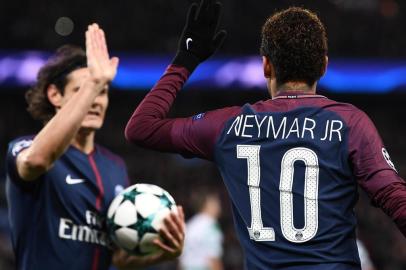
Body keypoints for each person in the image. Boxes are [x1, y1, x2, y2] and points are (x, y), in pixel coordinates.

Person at [125, 1, 406, 269]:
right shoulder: (349, 123)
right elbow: (395, 197)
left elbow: (141, 128)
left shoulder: (229, 125)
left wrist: (184, 61)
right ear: (323, 65)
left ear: (266, 66)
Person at [6, 24, 185, 270]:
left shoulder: (115, 166)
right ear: (54, 95)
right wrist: (94, 81)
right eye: (83, 90)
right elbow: (35, 161)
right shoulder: (26, 147)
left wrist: (164, 253)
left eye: (102, 92)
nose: (95, 100)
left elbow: (117, 258)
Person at [180, 190, 223, 270]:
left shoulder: (189, 226)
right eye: (216, 202)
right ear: (207, 205)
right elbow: (213, 259)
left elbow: (182, 260)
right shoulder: (210, 225)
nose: (219, 205)